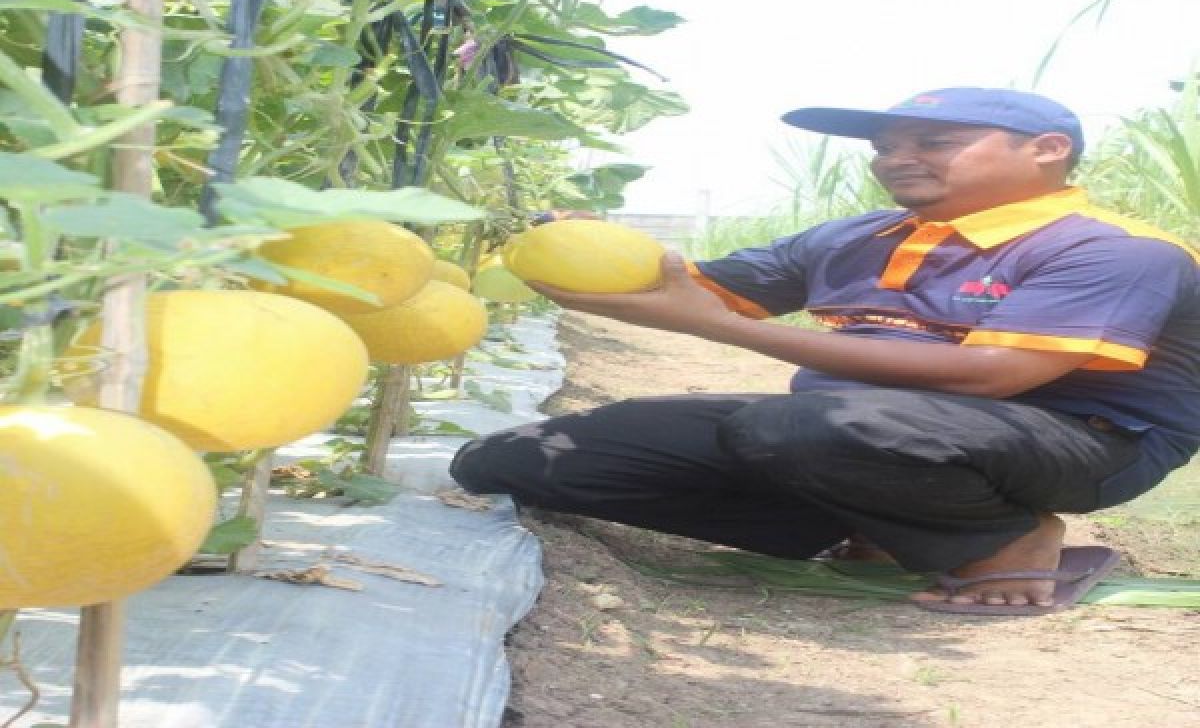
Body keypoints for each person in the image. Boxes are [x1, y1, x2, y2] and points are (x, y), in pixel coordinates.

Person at [450, 87, 1200, 615]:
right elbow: (689, 287)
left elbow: (994, 375)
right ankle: (866, 519)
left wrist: (717, 328)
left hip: (1079, 441)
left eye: (933, 142)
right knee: (522, 457)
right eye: (885, 147)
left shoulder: (1114, 249)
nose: (895, 157)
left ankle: (1006, 537)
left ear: (1048, 150)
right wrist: (568, 242)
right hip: (864, 429)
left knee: (799, 426)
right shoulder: (853, 237)